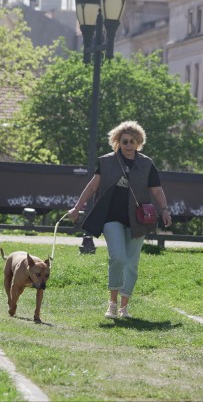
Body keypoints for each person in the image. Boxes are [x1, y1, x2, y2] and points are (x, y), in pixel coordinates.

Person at [68, 121, 172, 319]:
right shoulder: (107, 162)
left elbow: (157, 190)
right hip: (112, 218)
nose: (128, 145)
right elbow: (92, 187)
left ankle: (124, 307)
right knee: (117, 258)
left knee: (132, 263)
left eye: (133, 141)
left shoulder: (146, 164)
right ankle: (112, 304)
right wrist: (77, 206)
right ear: (117, 141)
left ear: (138, 142)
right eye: (124, 141)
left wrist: (165, 210)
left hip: (138, 220)